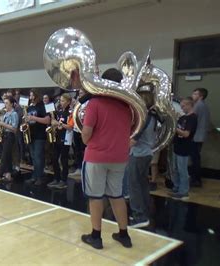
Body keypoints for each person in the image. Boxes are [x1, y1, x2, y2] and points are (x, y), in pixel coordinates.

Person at [80, 68, 132, 250]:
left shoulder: (95, 103)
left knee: (95, 197)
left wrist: (86, 140)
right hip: (120, 157)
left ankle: (96, 236)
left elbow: (86, 134)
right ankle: (124, 234)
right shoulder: (128, 105)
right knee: (116, 196)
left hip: (97, 156)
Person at [126, 89, 157, 228]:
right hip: (147, 153)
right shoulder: (153, 115)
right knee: (143, 184)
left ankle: (139, 216)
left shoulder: (143, 118)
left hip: (138, 154)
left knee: (134, 185)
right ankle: (144, 211)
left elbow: (133, 141)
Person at [169, 97, 198, 200]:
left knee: (182, 170)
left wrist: (174, 128)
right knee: (175, 169)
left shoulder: (192, 118)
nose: (182, 108)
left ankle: (184, 191)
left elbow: (186, 134)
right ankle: (176, 187)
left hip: (184, 147)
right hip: (177, 145)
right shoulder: (182, 118)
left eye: (183, 106)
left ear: (189, 105)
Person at [47, 93, 74, 189]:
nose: (60, 102)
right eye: (60, 100)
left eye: (63, 101)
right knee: (54, 158)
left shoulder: (71, 112)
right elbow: (55, 123)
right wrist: (53, 121)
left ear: (68, 102)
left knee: (64, 159)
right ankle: (56, 178)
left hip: (66, 137)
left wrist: (58, 124)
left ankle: (64, 180)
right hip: (57, 137)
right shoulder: (59, 111)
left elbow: (70, 127)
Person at [25, 89, 51, 185]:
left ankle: (40, 176)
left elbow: (47, 120)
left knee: (38, 157)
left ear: (36, 96)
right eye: (30, 96)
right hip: (31, 134)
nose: (30, 97)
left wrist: (33, 118)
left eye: (32, 95)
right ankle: (35, 176)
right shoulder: (29, 108)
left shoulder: (42, 106)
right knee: (33, 157)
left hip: (40, 135)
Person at [0, 97, 18, 185]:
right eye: (5, 103)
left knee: (4, 157)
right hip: (4, 135)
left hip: (10, 136)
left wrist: (3, 124)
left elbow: (14, 128)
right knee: (7, 156)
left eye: (7, 103)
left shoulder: (14, 114)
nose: (5, 105)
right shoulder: (6, 113)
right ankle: (8, 175)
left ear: (11, 104)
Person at [190, 88, 210, 187]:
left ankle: (196, 180)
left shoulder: (198, 105)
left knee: (195, 159)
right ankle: (196, 179)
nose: (193, 95)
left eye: (195, 94)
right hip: (200, 136)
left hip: (196, 136)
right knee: (196, 158)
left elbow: (192, 119)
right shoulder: (204, 105)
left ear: (201, 96)